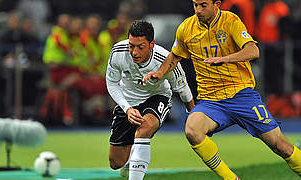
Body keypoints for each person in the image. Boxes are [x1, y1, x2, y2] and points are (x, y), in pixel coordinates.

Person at [143, 0, 301, 179]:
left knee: (281, 146)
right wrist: (159, 72)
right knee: (192, 130)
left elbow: (253, 50)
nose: (198, 10)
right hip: (211, 101)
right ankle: (231, 178)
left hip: (241, 95)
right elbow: (175, 55)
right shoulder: (186, 28)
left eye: (203, 5)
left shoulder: (231, 21)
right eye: (195, 5)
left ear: (217, 4)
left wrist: (226, 59)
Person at [106, 20, 194, 180]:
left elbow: (183, 89)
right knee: (115, 162)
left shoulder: (165, 60)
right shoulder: (118, 51)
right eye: (131, 45)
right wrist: (127, 108)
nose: (134, 52)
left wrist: (193, 115)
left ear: (152, 44)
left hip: (157, 97)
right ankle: (133, 158)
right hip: (128, 101)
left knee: (145, 128)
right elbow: (111, 83)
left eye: (141, 47)